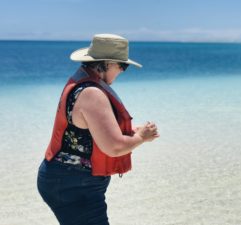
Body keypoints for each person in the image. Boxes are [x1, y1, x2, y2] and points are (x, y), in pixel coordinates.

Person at [37, 34, 159, 225]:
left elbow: (93, 131)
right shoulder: (92, 93)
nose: (122, 71)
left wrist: (135, 131)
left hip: (65, 180)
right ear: (107, 64)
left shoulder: (82, 82)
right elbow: (115, 147)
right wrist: (141, 138)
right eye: (122, 66)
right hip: (73, 185)